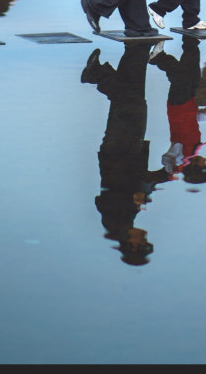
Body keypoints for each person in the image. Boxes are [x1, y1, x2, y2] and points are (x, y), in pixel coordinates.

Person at [80, 41, 170, 265]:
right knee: (132, 98)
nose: (145, 235)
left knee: (132, 104)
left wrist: (133, 197)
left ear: (132, 244)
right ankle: (132, 54)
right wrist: (163, 176)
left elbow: (105, 199)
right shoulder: (126, 222)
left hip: (119, 153)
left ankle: (97, 75)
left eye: (143, 242)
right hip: (127, 153)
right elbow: (140, 186)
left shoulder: (115, 224)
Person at [148, 34, 206, 184]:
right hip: (189, 104)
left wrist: (171, 169)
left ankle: (157, 58)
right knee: (193, 76)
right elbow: (192, 122)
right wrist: (203, 115)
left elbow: (166, 158)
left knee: (182, 78)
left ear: (195, 166)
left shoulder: (181, 155)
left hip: (178, 106)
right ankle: (190, 42)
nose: (205, 161)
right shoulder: (196, 147)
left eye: (204, 164)